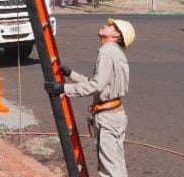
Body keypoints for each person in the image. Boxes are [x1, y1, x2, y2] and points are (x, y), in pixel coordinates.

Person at [45, 18, 136, 177]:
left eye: (110, 26)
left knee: (108, 169)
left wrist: (64, 88)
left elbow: (96, 86)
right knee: (117, 165)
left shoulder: (106, 51)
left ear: (116, 35)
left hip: (108, 117)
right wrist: (72, 75)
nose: (105, 25)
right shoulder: (116, 52)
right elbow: (102, 83)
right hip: (116, 115)